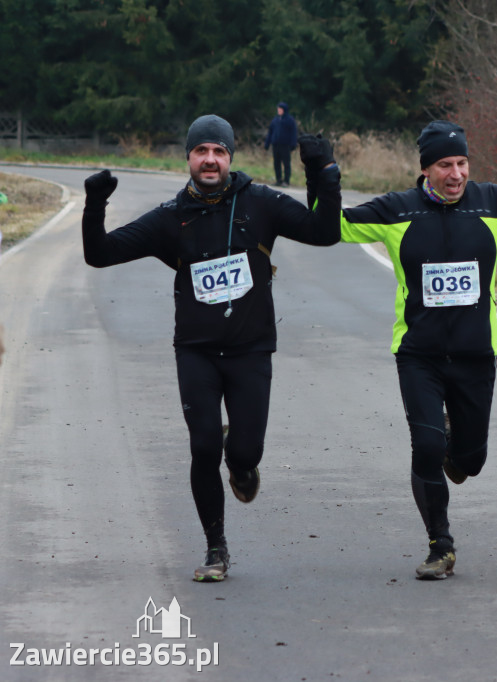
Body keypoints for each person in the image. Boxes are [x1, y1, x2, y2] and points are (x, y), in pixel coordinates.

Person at [311, 120, 497, 579]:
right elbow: (329, 226)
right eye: (444, 165)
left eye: (461, 163)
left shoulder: (491, 203)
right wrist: (321, 173)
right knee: (427, 447)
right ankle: (441, 545)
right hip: (419, 355)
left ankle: (458, 442)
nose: (455, 174)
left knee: (469, 461)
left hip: (475, 357)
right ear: (425, 170)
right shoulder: (398, 212)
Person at [82, 114, 341, 582]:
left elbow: (325, 231)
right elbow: (99, 253)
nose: (210, 159)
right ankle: (216, 548)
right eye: (201, 151)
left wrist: (319, 171)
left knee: (244, 453)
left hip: (250, 351)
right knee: (203, 447)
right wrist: (95, 202)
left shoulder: (260, 203)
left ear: (230, 158)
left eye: (219, 151)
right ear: (188, 158)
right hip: (197, 351)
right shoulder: (170, 218)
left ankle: (241, 465)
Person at [264, 102, 299, 187]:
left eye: (280, 109)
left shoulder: (290, 120)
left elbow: (294, 133)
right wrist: (267, 143)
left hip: (285, 145)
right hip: (276, 145)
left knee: (286, 163)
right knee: (276, 163)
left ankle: (286, 181)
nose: (278, 110)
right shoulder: (275, 120)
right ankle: (278, 180)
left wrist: (293, 144)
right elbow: (270, 132)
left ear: (284, 110)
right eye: (278, 109)